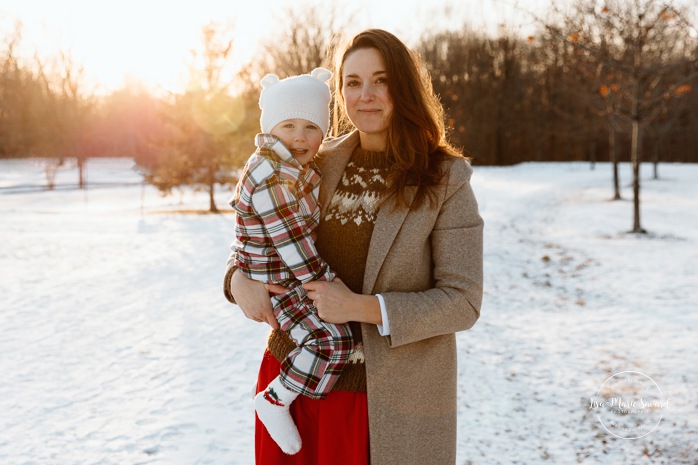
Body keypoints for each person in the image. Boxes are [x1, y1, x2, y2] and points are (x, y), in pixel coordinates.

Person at [224, 29, 484, 465]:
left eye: (381, 80)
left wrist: (361, 308)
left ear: (404, 87)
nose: (366, 95)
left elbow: (463, 302)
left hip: (385, 403)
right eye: (353, 82)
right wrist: (236, 280)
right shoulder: (317, 159)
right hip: (292, 384)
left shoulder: (446, 179)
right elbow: (259, 224)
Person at [227, 68, 353, 456]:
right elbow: (294, 245)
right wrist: (332, 288)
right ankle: (275, 398)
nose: (300, 136)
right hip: (282, 280)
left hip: (287, 275)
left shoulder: (294, 167)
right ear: (270, 127)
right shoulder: (270, 174)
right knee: (332, 340)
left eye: (311, 127)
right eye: (289, 125)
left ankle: (281, 390)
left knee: (333, 339)